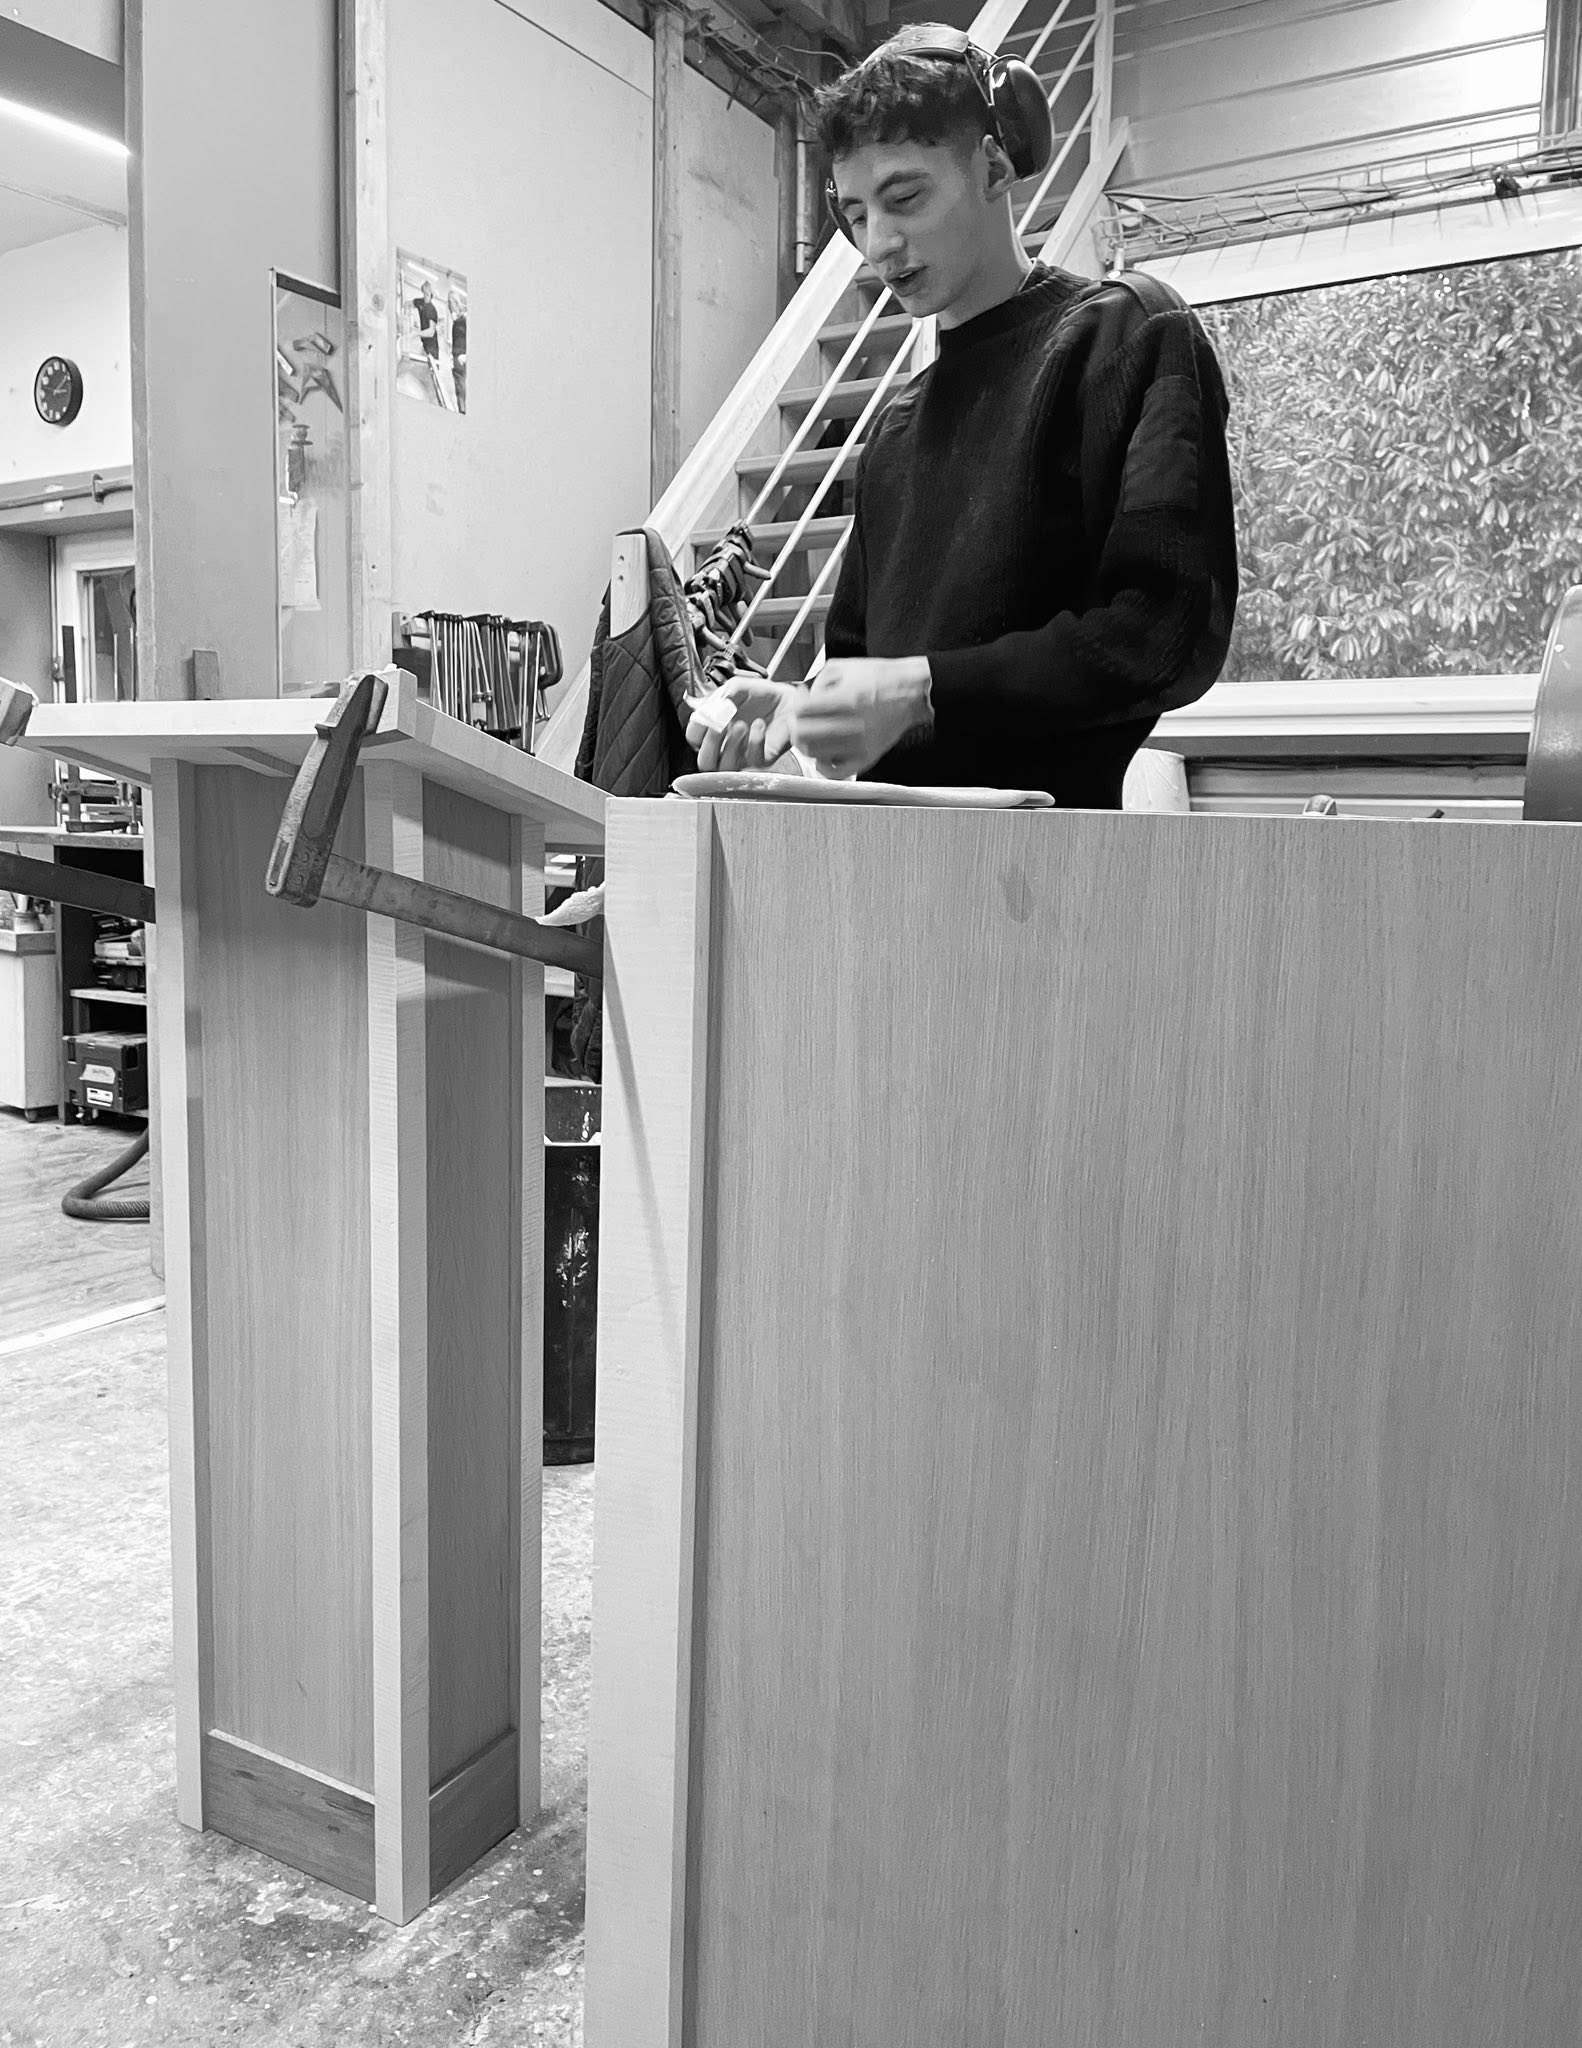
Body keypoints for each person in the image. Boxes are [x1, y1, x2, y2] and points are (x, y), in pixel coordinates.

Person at [686, 26, 1238, 805]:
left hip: (1048, 856)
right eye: (855, 214)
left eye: (904, 198)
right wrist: (804, 709)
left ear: (994, 165)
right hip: (891, 852)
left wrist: (922, 690)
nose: (879, 244)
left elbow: (1160, 633)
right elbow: (866, 669)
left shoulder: (1126, 335)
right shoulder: (894, 432)